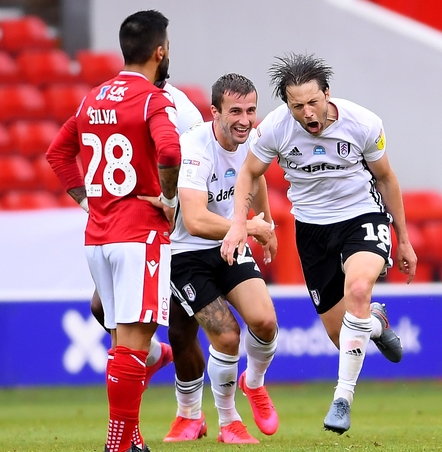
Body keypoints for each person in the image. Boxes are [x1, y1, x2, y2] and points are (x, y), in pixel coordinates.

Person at [221, 52, 418, 434]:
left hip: (362, 217)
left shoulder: (363, 123)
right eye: (298, 106)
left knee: (359, 288)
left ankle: (342, 399)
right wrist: (238, 222)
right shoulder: (275, 129)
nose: (308, 113)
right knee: (340, 334)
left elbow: (387, 179)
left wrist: (404, 239)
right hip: (311, 230)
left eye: (314, 102)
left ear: (328, 94)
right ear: (287, 105)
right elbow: (248, 173)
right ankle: (374, 324)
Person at [46, 10, 181, 452]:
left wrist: (88, 200)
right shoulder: (151, 99)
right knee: (133, 344)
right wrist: (169, 198)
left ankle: (131, 439)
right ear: (160, 51)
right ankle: (118, 444)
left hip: (98, 236)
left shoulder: (93, 98)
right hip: (139, 235)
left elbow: (58, 153)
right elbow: (170, 150)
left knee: (126, 341)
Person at [164, 73, 280, 444]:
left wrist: (267, 222)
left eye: (250, 110)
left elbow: (256, 175)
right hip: (187, 256)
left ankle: (254, 383)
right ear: (214, 112)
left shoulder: (252, 140)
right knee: (227, 337)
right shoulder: (195, 148)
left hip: (232, 243)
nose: (245, 119)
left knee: (265, 322)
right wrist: (249, 227)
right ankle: (229, 422)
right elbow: (195, 220)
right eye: (235, 111)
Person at [88, 80, 205, 389]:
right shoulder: (117, 100)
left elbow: (195, 166)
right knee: (101, 308)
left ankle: (194, 415)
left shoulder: (183, 111)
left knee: (180, 330)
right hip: (134, 227)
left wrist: (171, 201)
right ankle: (153, 356)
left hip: (178, 232)